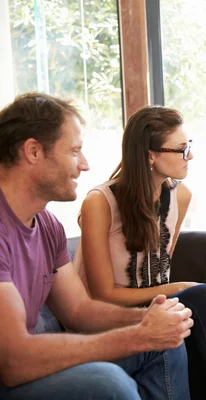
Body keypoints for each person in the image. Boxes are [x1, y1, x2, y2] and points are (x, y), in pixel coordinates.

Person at [0, 93, 192, 399]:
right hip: (10, 375)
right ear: (33, 151)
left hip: (29, 366)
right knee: (108, 383)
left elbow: (79, 309)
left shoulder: (47, 225)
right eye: (74, 151)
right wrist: (137, 336)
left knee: (165, 344)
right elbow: (13, 361)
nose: (85, 165)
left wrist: (149, 319)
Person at [74, 106, 206, 399]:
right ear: (150, 154)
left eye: (188, 146)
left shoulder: (180, 195)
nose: (189, 156)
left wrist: (171, 293)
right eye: (180, 149)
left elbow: (159, 272)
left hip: (156, 307)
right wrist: (178, 287)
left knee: (203, 306)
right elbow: (101, 294)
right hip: (107, 317)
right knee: (203, 295)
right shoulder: (100, 202)